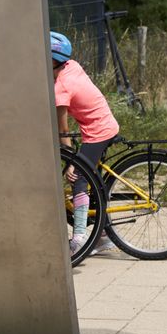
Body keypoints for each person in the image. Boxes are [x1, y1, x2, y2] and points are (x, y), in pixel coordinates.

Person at [51, 31, 120, 255]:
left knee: (78, 177)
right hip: (103, 124)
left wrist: (72, 161)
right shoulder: (71, 66)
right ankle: (102, 235)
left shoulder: (62, 86)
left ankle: (79, 240)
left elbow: (63, 129)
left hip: (97, 132)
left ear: (52, 59)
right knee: (96, 183)